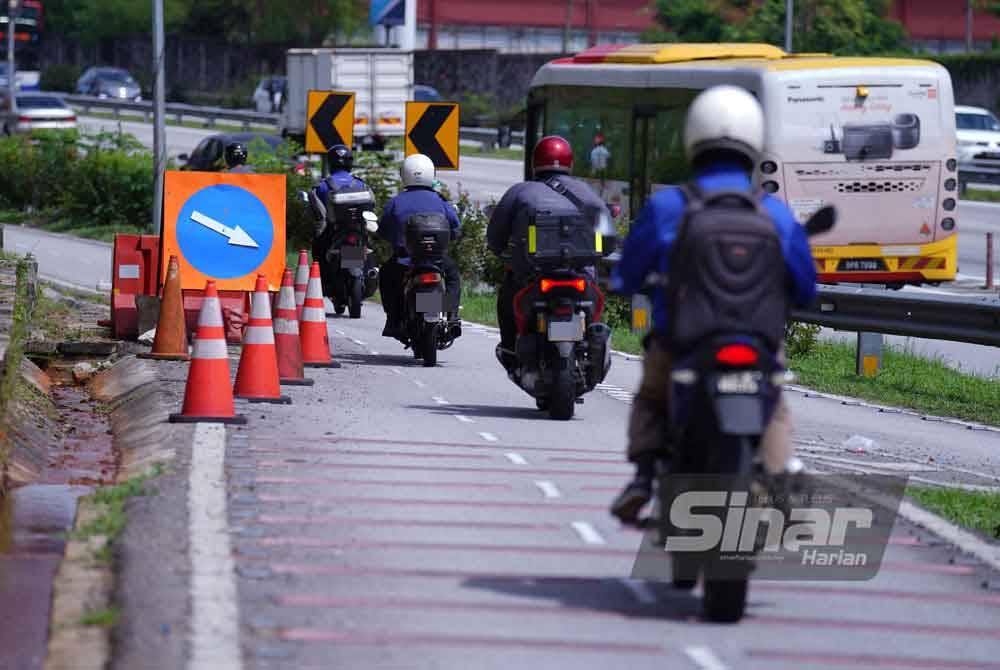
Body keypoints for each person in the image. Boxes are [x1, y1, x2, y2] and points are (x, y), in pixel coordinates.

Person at [608, 85, 817, 524]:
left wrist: (637, 286)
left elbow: (626, 276)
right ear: (754, 142)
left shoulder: (668, 206)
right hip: (758, 342)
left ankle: (644, 478)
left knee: (650, 397)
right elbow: (805, 286)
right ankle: (779, 479)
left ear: (693, 138)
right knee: (774, 401)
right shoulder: (774, 214)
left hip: (683, 341)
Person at [487, 135, 609, 372]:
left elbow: (495, 236)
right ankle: (591, 350)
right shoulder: (588, 192)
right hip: (581, 277)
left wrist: (502, 252)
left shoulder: (520, 192)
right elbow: (608, 238)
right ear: (569, 163)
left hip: (532, 277)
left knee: (507, 300)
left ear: (535, 162)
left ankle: (512, 352)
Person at [377, 153, 462, 339]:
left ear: (405, 174)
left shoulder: (396, 202)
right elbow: (456, 227)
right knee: (454, 277)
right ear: (430, 174)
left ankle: (393, 319)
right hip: (437, 260)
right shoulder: (440, 200)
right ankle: (453, 315)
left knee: (386, 275)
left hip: (405, 260)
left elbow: (383, 230)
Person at [310, 144, 377, 298]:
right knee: (371, 252)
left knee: (318, 250)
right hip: (357, 231)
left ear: (331, 162)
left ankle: (324, 284)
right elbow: (372, 205)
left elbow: (317, 213)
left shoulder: (322, 186)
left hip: (333, 231)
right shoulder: (361, 184)